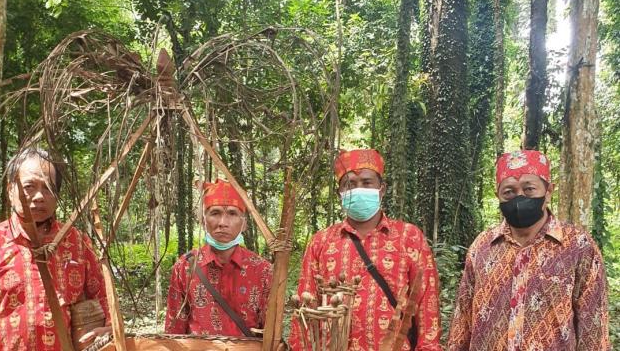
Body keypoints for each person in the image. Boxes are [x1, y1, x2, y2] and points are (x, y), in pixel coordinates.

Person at [447, 149, 610, 350]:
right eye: (509, 192)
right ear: (498, 195)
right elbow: (462, 320)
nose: (519, 197)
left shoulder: (578, 246)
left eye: (529, 189)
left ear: (548, 191)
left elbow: (593, 327)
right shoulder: (482, 246)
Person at [289, 149, 442, 351]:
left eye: (367, 182)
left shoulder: (409, 237)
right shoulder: (321, 242)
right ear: (339, 193)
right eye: (349, 184)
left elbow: (427, 308)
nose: (358, 189)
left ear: (382, 189)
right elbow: (305, 312)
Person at [0, 148, 110, 350]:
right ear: (10, 190)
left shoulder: (78, 242)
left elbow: (105, 299)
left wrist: (109, 330)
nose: (39, 196)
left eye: (48, 188)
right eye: (29, 186)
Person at [165, 179, 272, 336]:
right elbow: (174, 333)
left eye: (232, 214)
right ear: (203, 221)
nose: (223, 223)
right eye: (215, 213)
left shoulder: (262, 270)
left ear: (244, 224)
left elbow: (270, 333)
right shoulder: (185, 267)